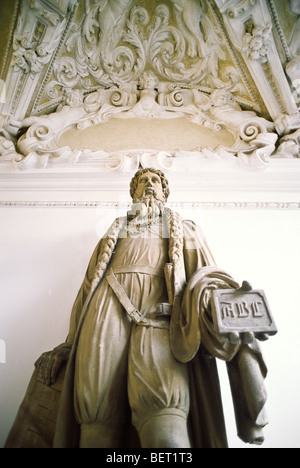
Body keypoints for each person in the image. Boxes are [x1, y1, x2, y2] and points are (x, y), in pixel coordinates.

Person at [6, 167, 268, 448]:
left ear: (165, 192)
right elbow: (87, 288)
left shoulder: (185, 228)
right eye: (143, 181)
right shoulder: (114, 230)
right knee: (96, 420)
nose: (149, 185)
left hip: (162, 317)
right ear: (134, 192)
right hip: (104, 311)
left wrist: (232, 304)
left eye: (155, 181)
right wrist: (69, 345)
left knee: (166, 421)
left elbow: (206, 276)